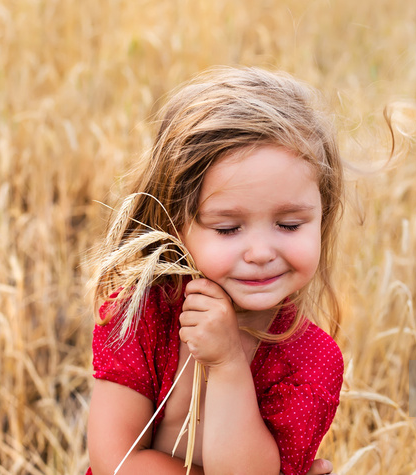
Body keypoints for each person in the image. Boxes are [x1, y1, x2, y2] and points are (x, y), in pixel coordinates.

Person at [86, 66, 345, 475]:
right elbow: (113, 462)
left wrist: (226, 365)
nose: (260, 252)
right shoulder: (140, 315)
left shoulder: (310, 360)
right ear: (176, 226)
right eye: (228, 228)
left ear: (322, 217)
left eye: (290, 225)